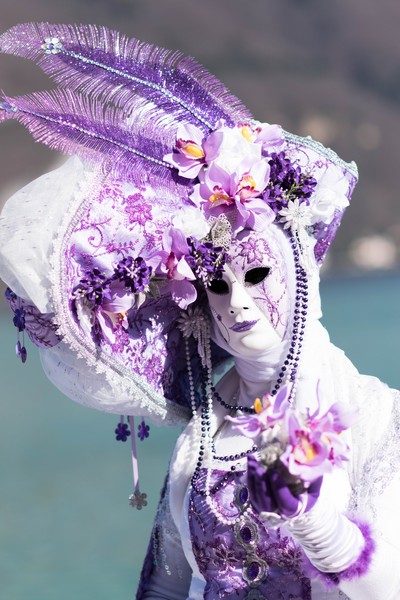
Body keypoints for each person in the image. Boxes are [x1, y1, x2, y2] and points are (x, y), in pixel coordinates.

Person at [0, 22, 399, 600]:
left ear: (298, 278)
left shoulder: (373, 416)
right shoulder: (202, 438)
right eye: (216, 284)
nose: (236, 302)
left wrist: (318, 525)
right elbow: (163, 585)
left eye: (257, 276)